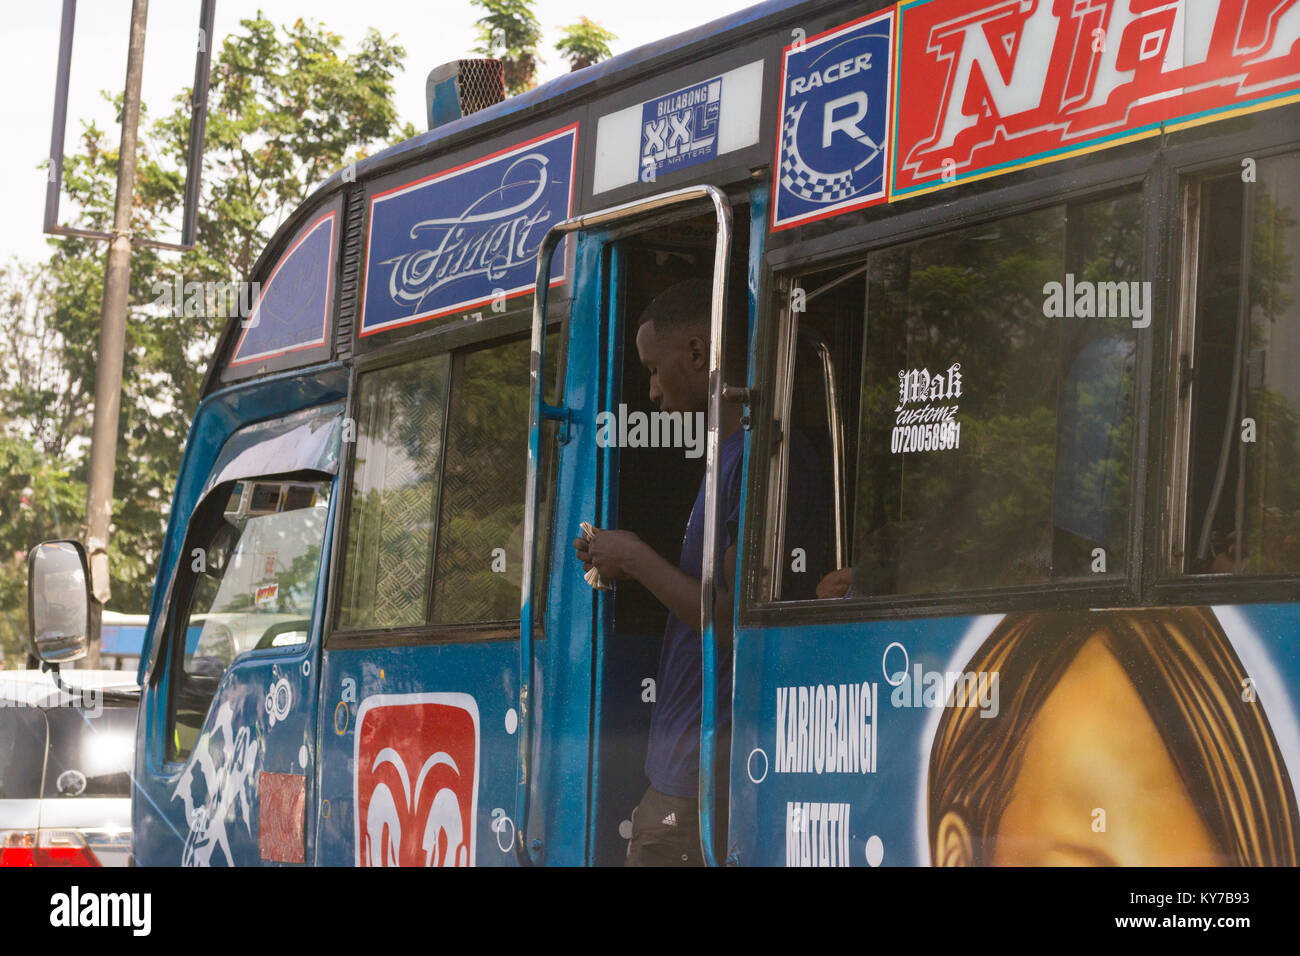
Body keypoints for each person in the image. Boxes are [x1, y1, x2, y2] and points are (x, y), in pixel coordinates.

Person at [574, 278, 825, 865]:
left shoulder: (764, 455)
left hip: (703, 758)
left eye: (655, 370)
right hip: (686, 751)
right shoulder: (730, 453)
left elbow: (728, 610)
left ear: (696, 353)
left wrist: (634, 558)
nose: (653, 391)